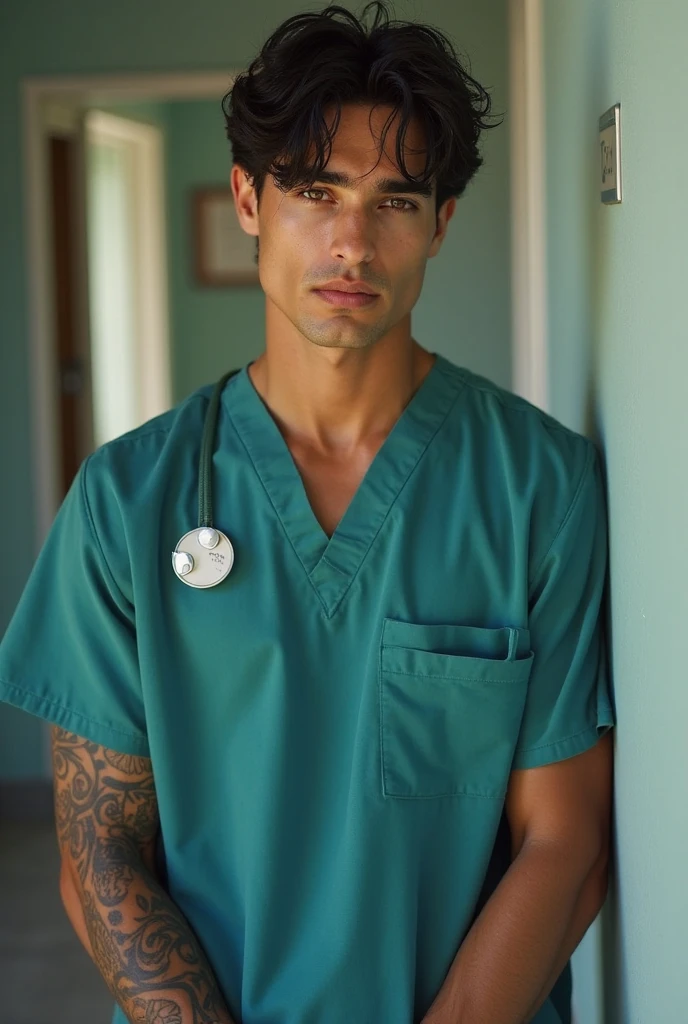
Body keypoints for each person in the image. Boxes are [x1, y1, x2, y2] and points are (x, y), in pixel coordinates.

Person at [0, 3, 615, 1022]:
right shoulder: (127, 501)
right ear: (248, 198)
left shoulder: (536, 486)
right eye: (314, 191)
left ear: (439, 224)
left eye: (394, 201)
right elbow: (100, 851)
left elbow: (566, 844)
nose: (351, 243)